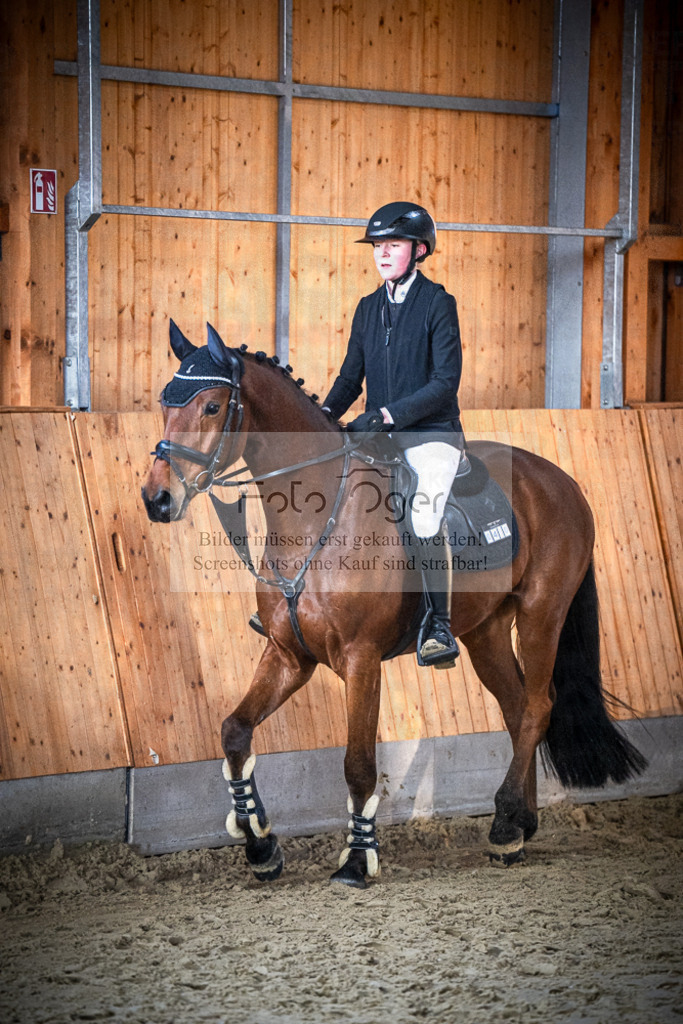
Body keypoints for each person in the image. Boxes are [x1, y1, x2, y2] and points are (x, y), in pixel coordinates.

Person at [322, 201, 464, 668]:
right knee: (326, 493)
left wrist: (385, 415)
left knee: (423, 517)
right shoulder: (367, 309)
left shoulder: (439, 304)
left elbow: (445, 383)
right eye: (378, 246)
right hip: (378, 437)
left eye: (394, 245)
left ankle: (438, 626)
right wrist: (322, 418)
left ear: (419, 250)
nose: (383, 254)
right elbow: (349, 379)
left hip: (433, 436)